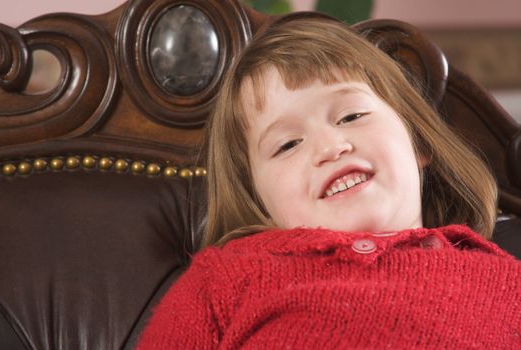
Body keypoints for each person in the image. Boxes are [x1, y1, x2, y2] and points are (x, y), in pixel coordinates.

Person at [136, 14, 520, 349]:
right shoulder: (224, 281)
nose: (330, 147)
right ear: (259, 199)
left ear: (418, 139)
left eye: (350, 116)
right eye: (287, 144)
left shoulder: (508, 285)